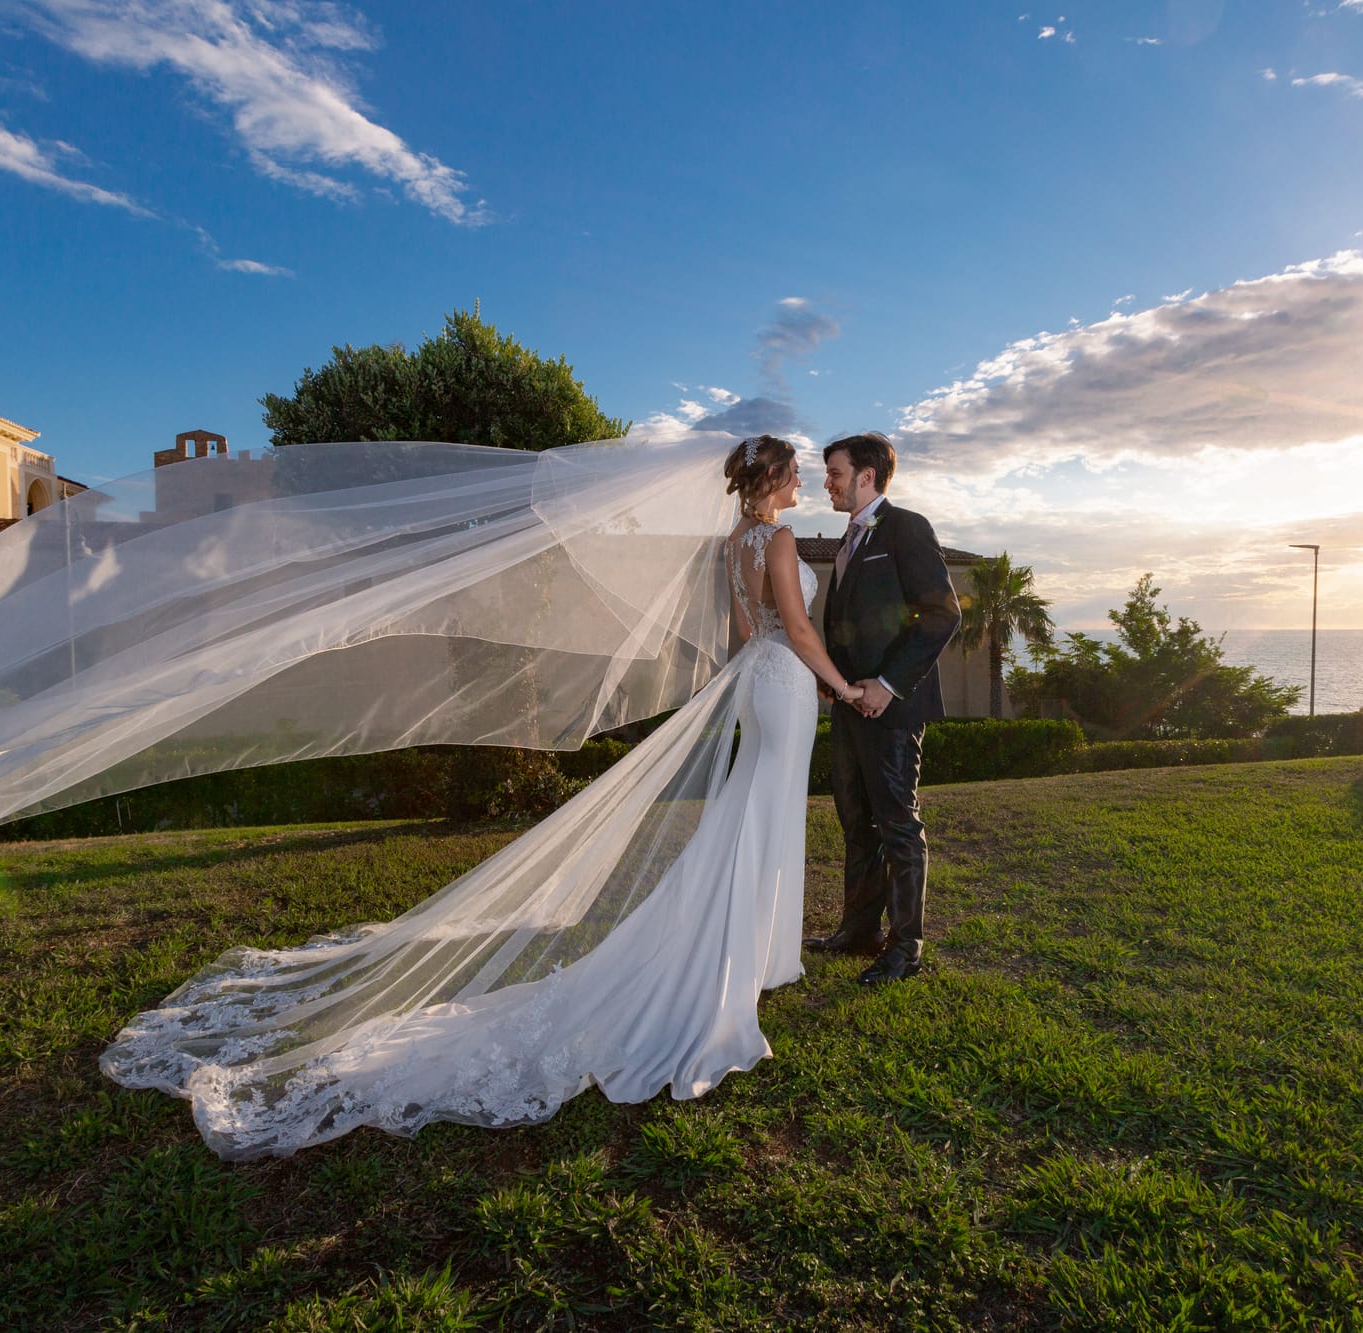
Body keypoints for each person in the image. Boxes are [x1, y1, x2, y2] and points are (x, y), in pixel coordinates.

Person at [94, 435, 863, 1157]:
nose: (803, 484)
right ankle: (754, 959)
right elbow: (796, 629)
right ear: (772, 481)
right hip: (790, 684)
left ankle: (762, 954)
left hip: (758, 685)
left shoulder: (733, 546)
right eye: (796, 473)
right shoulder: (783, 541)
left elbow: (743, 629)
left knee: (749, 814)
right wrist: (840, 687)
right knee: (764, 815)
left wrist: (764, 679)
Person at [804, 432, 962, 985]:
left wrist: (889, 685)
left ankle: (905, 948)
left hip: (892, 709)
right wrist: (837, 681)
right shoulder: (850, 536)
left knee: (898, 824)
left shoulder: (905, 528)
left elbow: (942, 615)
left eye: (835, 473)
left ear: (866, 476)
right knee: (854, 820)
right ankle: (859, 929)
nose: (827, 482)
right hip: (848, 705)